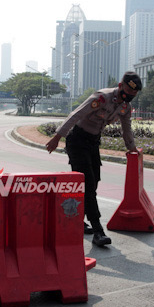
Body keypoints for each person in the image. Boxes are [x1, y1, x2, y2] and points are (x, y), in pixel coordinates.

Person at [46, 71, 142, 247]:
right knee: (88, 183)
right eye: (127, 91)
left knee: (94, 181)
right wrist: (57, 137)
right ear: (121, 86)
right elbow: (76, 114)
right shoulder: (102, 97)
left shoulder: (125, 107)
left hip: (92, 142)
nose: (128, 96)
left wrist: (132, 148)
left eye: (132, 95)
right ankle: (98, 230)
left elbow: (126, 128)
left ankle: (77, 220)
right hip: (77, 140)